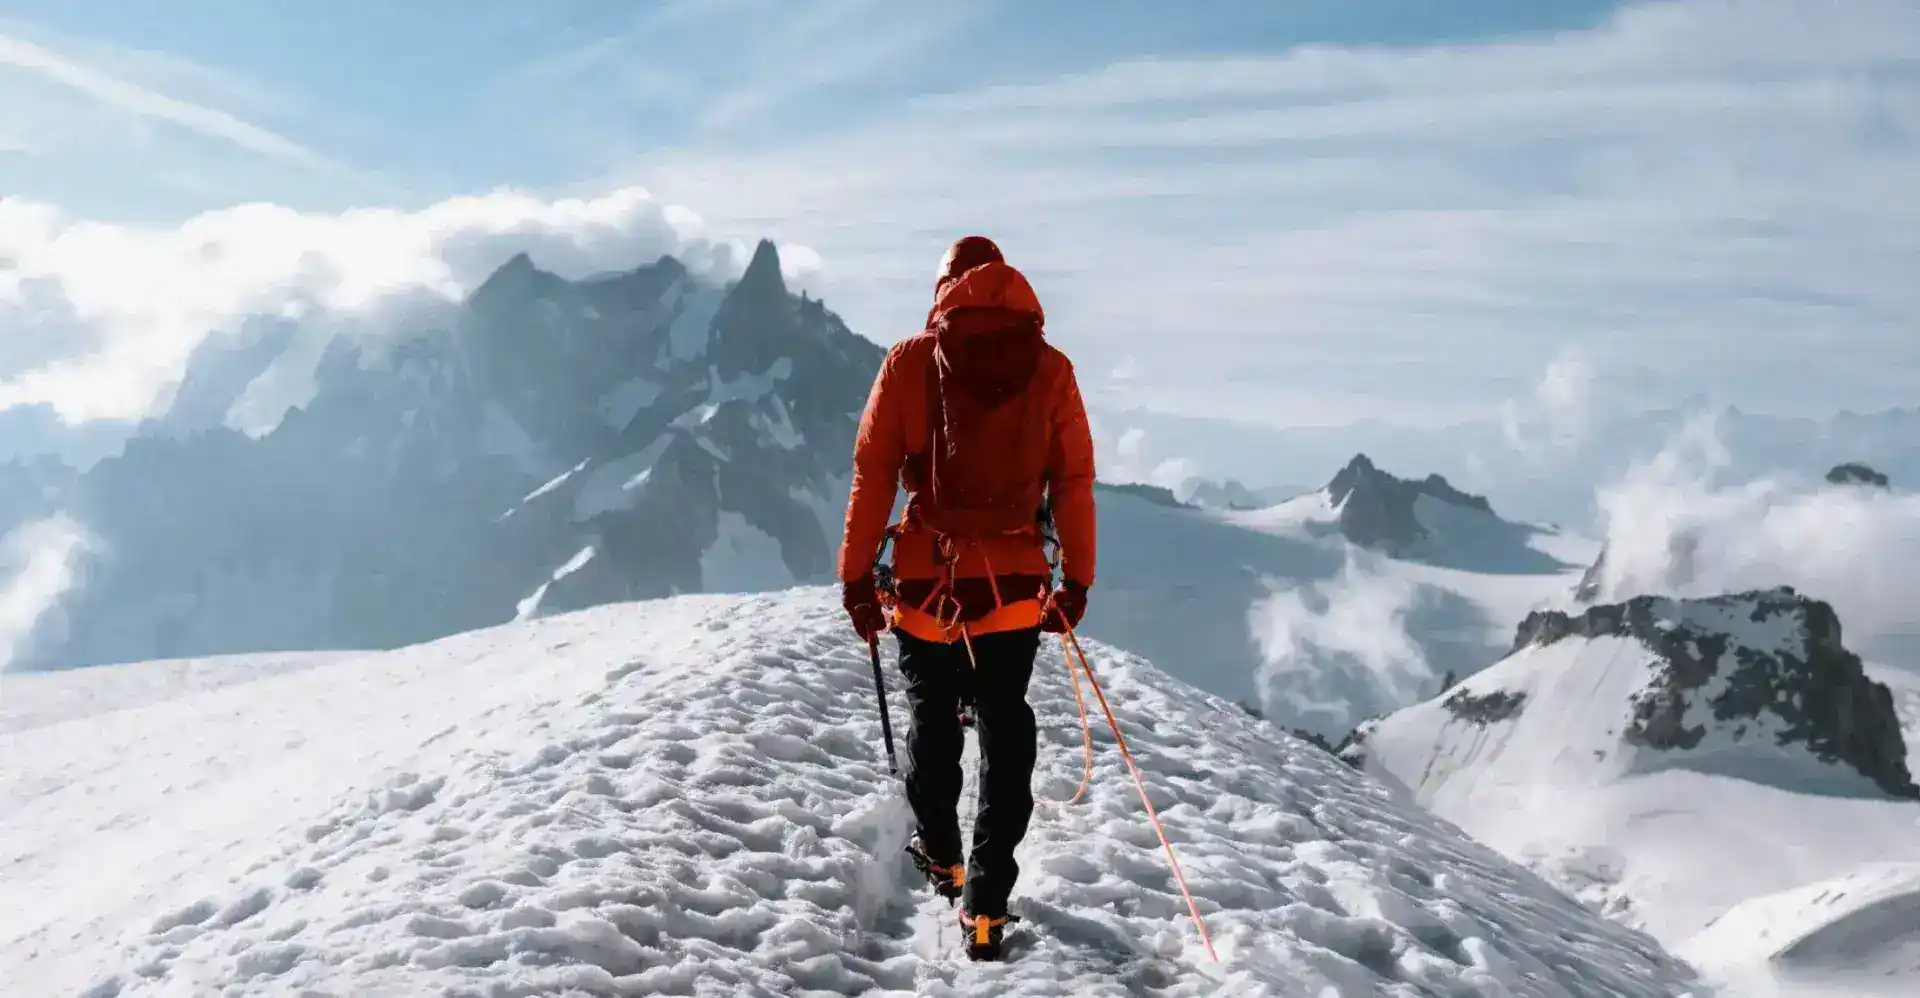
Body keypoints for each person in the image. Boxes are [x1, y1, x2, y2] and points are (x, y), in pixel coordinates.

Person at [838, 235, 1097, 960]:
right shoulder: (1050, 368)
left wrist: (856, 577)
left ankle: (944, 856)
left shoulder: (910, 362)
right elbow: (1072, 480)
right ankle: (988, 902)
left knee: (931, 712)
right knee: (1005, 721)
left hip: (926, 580)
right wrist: (1077, 578)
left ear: (944, 291)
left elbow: (874, 474)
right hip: (1012, 584)